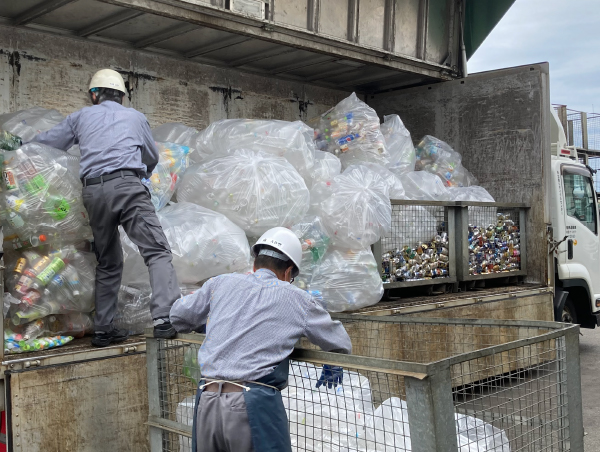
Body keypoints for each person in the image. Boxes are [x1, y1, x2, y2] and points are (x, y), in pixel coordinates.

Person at [29, 69, 180, 346]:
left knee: (108, 261)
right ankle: (164, 319)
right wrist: (138, 176)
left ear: (94, 95)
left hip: (93, 192)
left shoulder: (80, 117)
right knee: (157, 252)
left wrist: (18, 147)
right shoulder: (136, 117)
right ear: (122, 96)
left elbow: (48, 144)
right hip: (128, 187)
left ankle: (103, 329)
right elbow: (151, 156)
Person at [170, 227, 352, 452]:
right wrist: (333, 358)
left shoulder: (220, 283)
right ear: (288, 273)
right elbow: (340, 341)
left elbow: (177, 315)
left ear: (255, 264)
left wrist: (212, 321)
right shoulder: (298, 299)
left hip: (207, 400)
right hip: (252, 405)